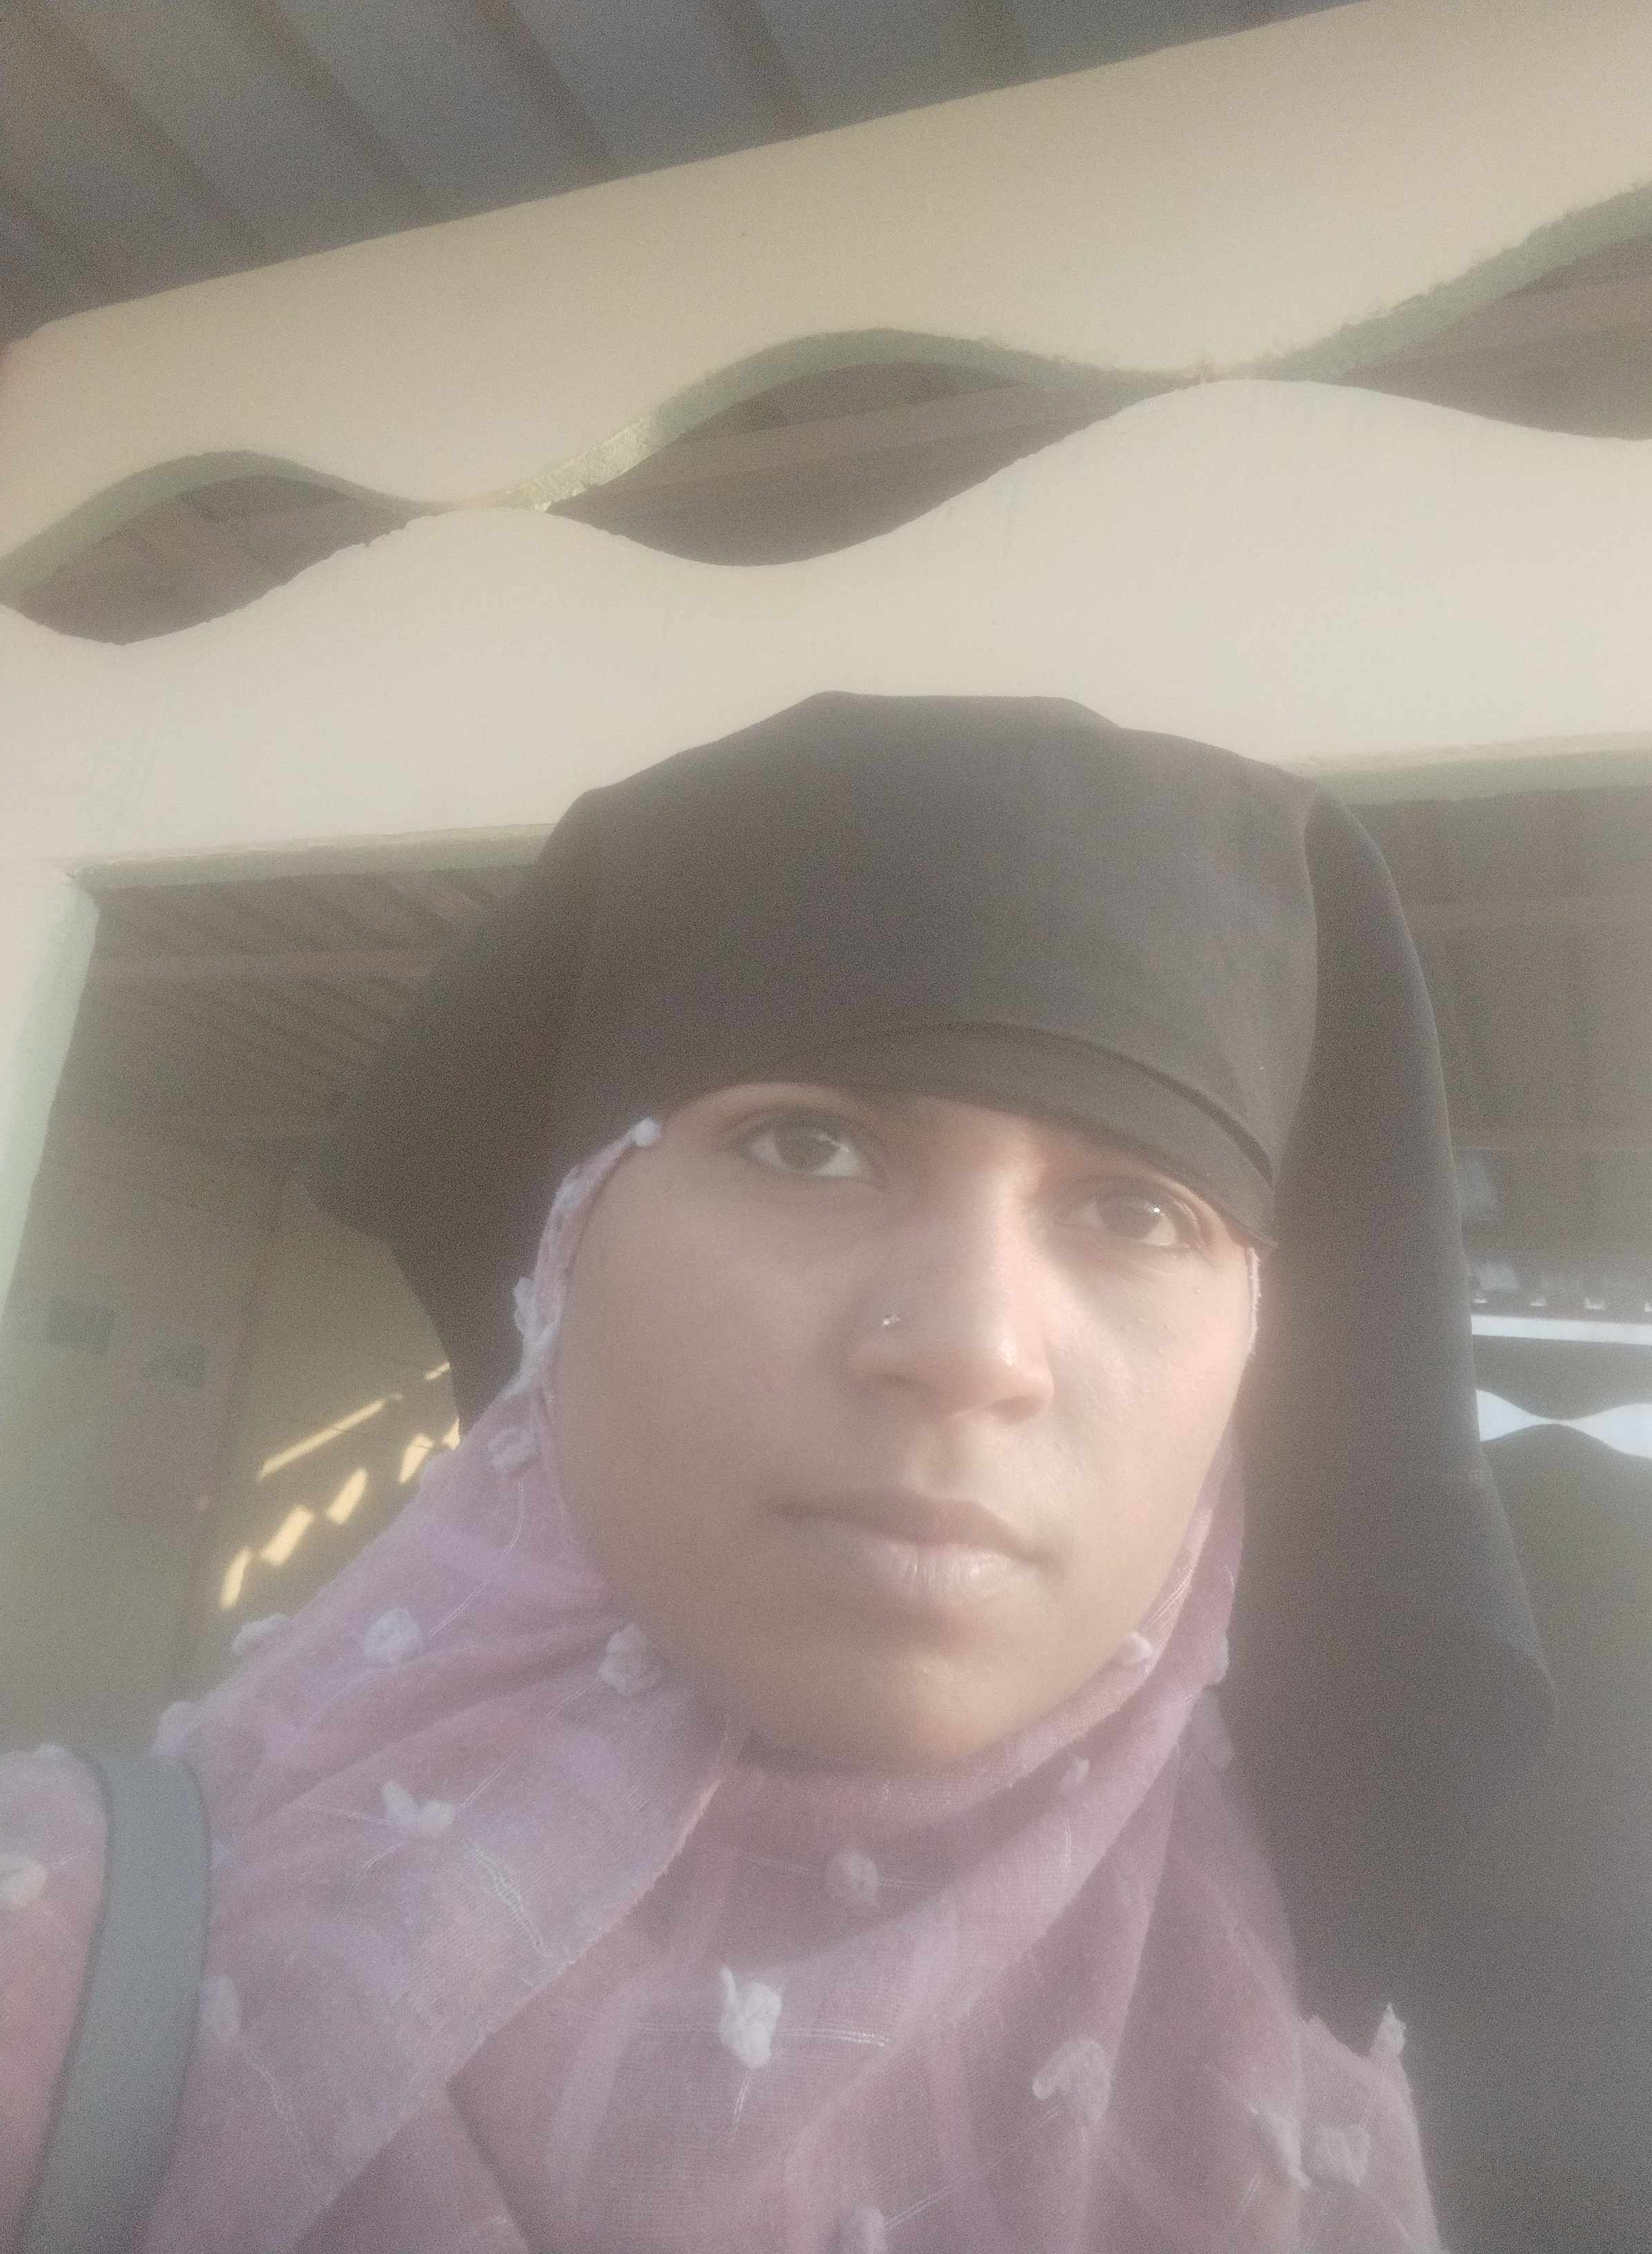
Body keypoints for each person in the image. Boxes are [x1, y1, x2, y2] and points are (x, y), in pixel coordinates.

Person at [0, 695, 1549, 2251]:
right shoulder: (68, 1970)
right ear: (565, 1249)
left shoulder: (1335, 2097)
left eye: (1138, 1212)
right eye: (809, 1146)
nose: (971, 1348)